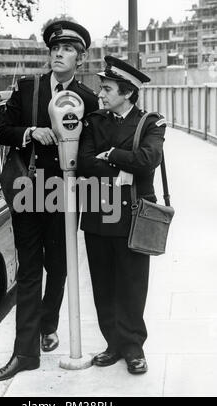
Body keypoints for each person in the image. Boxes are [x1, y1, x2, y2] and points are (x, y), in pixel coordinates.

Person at [0, 20, 98, 382]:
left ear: (80, 59)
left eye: (67, 50)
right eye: (54, 48)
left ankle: (48, 323)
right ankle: (25, 353)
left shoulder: (88, 97)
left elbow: (93, 148)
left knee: (61, 264)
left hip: (66, 192)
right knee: (30, 267)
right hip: (29, 187)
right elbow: (2, 130)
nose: (58, 54)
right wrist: (30, 132)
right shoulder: (29, 88)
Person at [77, 56, 166, 374]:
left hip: (133, 217)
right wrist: (122, 169)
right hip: (98, 214)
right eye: (102, 87)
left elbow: (148, 160)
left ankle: (133, 348)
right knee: (102, 284)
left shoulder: (151, 123)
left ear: (127, 92)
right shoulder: (94, 122)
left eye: (106, 88)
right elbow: (85, 161)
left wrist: (112, 155)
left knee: (132, 284)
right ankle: (112, 344)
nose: (100, 93)